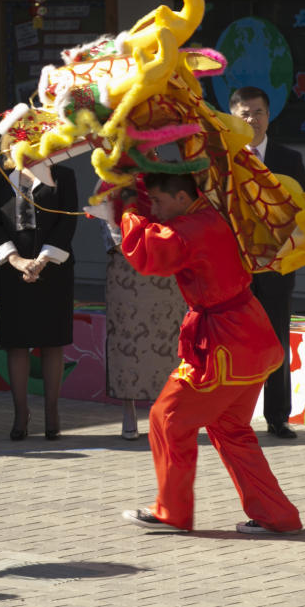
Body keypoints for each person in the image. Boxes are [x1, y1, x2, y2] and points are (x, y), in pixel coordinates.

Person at [120, 172, 302, 535]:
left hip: (226, 345)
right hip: (250, 337)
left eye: (158, 202)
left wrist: (126, 209)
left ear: (183, 198)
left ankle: (172, 510)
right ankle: (277, 515)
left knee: (167, 417)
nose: (154, 209)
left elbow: (151, 253)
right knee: (231, 430)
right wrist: (134, 170)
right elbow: (160, 213)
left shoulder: (192, 228)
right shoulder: (210, 213)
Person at [229, 86, 305, 439]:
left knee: (275, 342)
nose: (252, 120)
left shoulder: (289, 158)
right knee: (234, 343)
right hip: (234, 268)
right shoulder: (224, 158)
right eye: (244, 114)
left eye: (258, 112)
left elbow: (303, 212)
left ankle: (277, 416)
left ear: (269, 114)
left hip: (277, 266)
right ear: (233, 117)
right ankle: (232, 418)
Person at [0, 149, 77, 441]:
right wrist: (16, 261)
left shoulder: (62, 176)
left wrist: (41, 261)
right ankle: (20, 413)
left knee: (52, 343)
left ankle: (52, 412)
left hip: (53, 269)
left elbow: (67, 223)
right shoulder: (1, 178)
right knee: (17, 344)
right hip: (12, 271)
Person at [101, 180, 187, 440]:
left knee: (167, 341)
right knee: (127, 343)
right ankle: (129, 413)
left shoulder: (164, 174)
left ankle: (166, 414)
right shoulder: (110, 177)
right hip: (127, 266)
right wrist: (130, 243)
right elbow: (104, 219)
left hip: (163, 265)